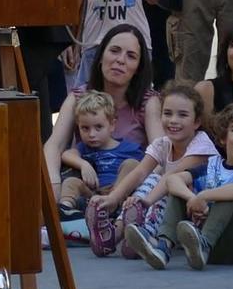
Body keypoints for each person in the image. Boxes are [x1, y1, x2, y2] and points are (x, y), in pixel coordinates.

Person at [96, 82, 215, 260]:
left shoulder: (201, 144)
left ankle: (144, 233)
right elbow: (139, 172)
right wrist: (114, 197)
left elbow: (170, 177)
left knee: (163, 184)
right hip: (174, 207)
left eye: (182, 115)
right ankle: (118, 233)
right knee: (151, 178)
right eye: (167, 113)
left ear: (196, 122)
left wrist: (144, 202)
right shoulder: (163, 143)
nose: (173, 120)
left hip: (199, 210)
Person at [146, 102, 233, 272]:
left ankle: (203, 245)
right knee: (179, 193)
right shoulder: (212, 165)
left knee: (230, 196)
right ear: (223, 138)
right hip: (212, 246)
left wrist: (204, 196)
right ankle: (163, 247)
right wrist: (192, 198)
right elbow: (172, 180)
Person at [44, 25, 158, 190]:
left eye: (131, 56)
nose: (120, 60)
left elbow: (161, 152)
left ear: (138, 69)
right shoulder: (78, 97)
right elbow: (54, 146)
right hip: (84, 184)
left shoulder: (148, 102)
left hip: (130, 189)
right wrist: (53, 186)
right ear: (100, 56)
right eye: (114, 51)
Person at [55, 91, 138, 241]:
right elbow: (66, 154)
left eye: (98, 127)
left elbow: (147, 167)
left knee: (131, 164)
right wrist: (83, 164)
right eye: (85, 128)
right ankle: (64, 211)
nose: (91, 134)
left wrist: (117, 193)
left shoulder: (129, 148)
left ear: (112, 125)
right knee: (71, 182)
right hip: (94, 197)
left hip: (120, 195)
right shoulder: (84, 148)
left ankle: (113, 207)